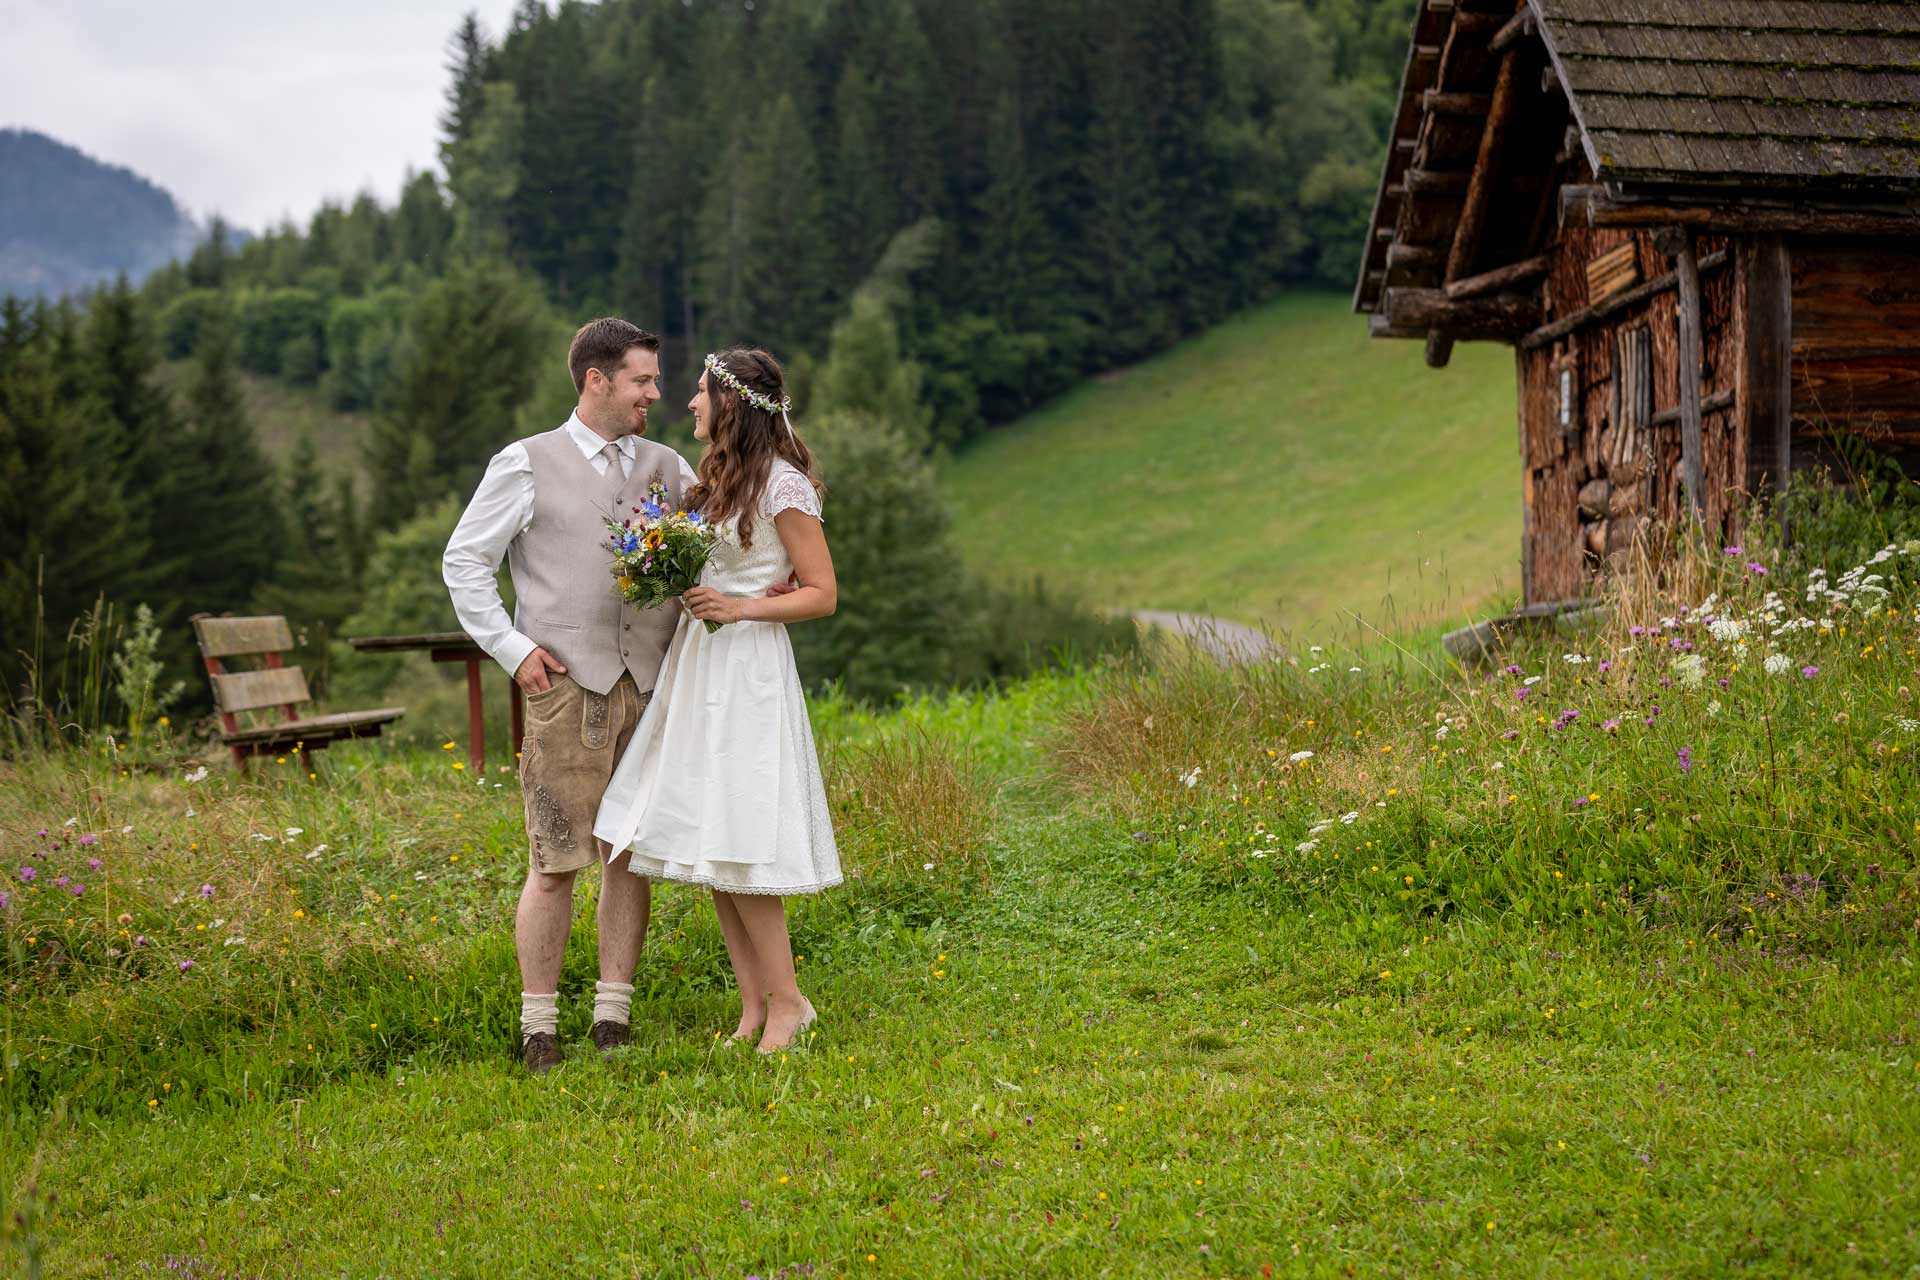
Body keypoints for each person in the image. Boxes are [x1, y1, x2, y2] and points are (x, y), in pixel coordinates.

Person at [442, 318, 693, 1074]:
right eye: (644, 379)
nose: (657, 392)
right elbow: (464, 562)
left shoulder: (669, 466)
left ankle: (613, 1014)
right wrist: (514, 651)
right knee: (555, 860)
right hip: (563, 688)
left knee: (627, 854)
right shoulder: (524, 464)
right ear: (597, 381)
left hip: (648, 688)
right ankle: (538, 1028)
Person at [594, 347, 841, 1055]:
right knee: (711, 839)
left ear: (731, 403)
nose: (690, 402)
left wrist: (739, 608)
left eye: (701, 392)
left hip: (747, 673)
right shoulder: (719, 483)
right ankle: (753, 1007)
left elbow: (821, 593)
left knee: (738, 837)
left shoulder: (783, 487)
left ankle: (791, 1001)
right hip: (700, 665)